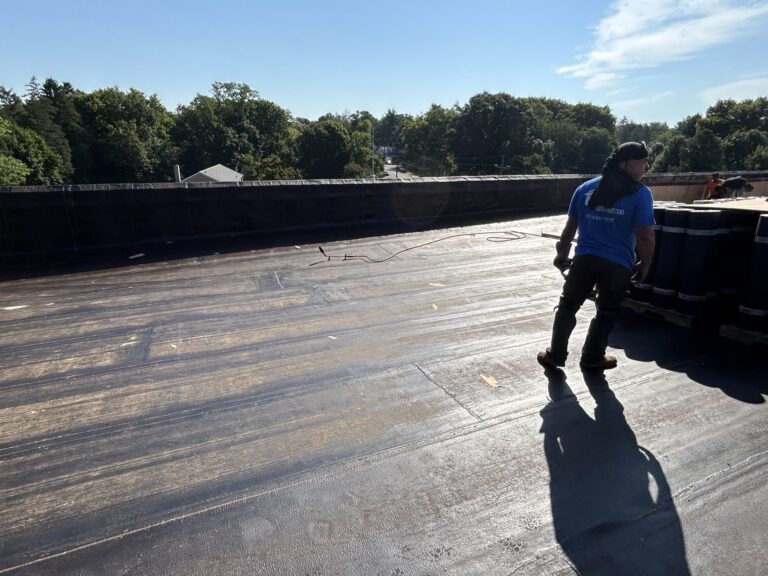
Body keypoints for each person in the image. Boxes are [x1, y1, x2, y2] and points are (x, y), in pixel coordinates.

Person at [537, 141, 656, 371]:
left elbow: (569, 229)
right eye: (642, 163)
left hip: (584, 260)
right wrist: (645, 264)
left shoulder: (585, 189)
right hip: (617, 265)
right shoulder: (641, 194)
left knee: (568, 306)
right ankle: (592, 357)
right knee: (607, 311)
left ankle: (556, 355)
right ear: (627, 164)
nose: (645, 168)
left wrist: (561, 255)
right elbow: (645, 236)